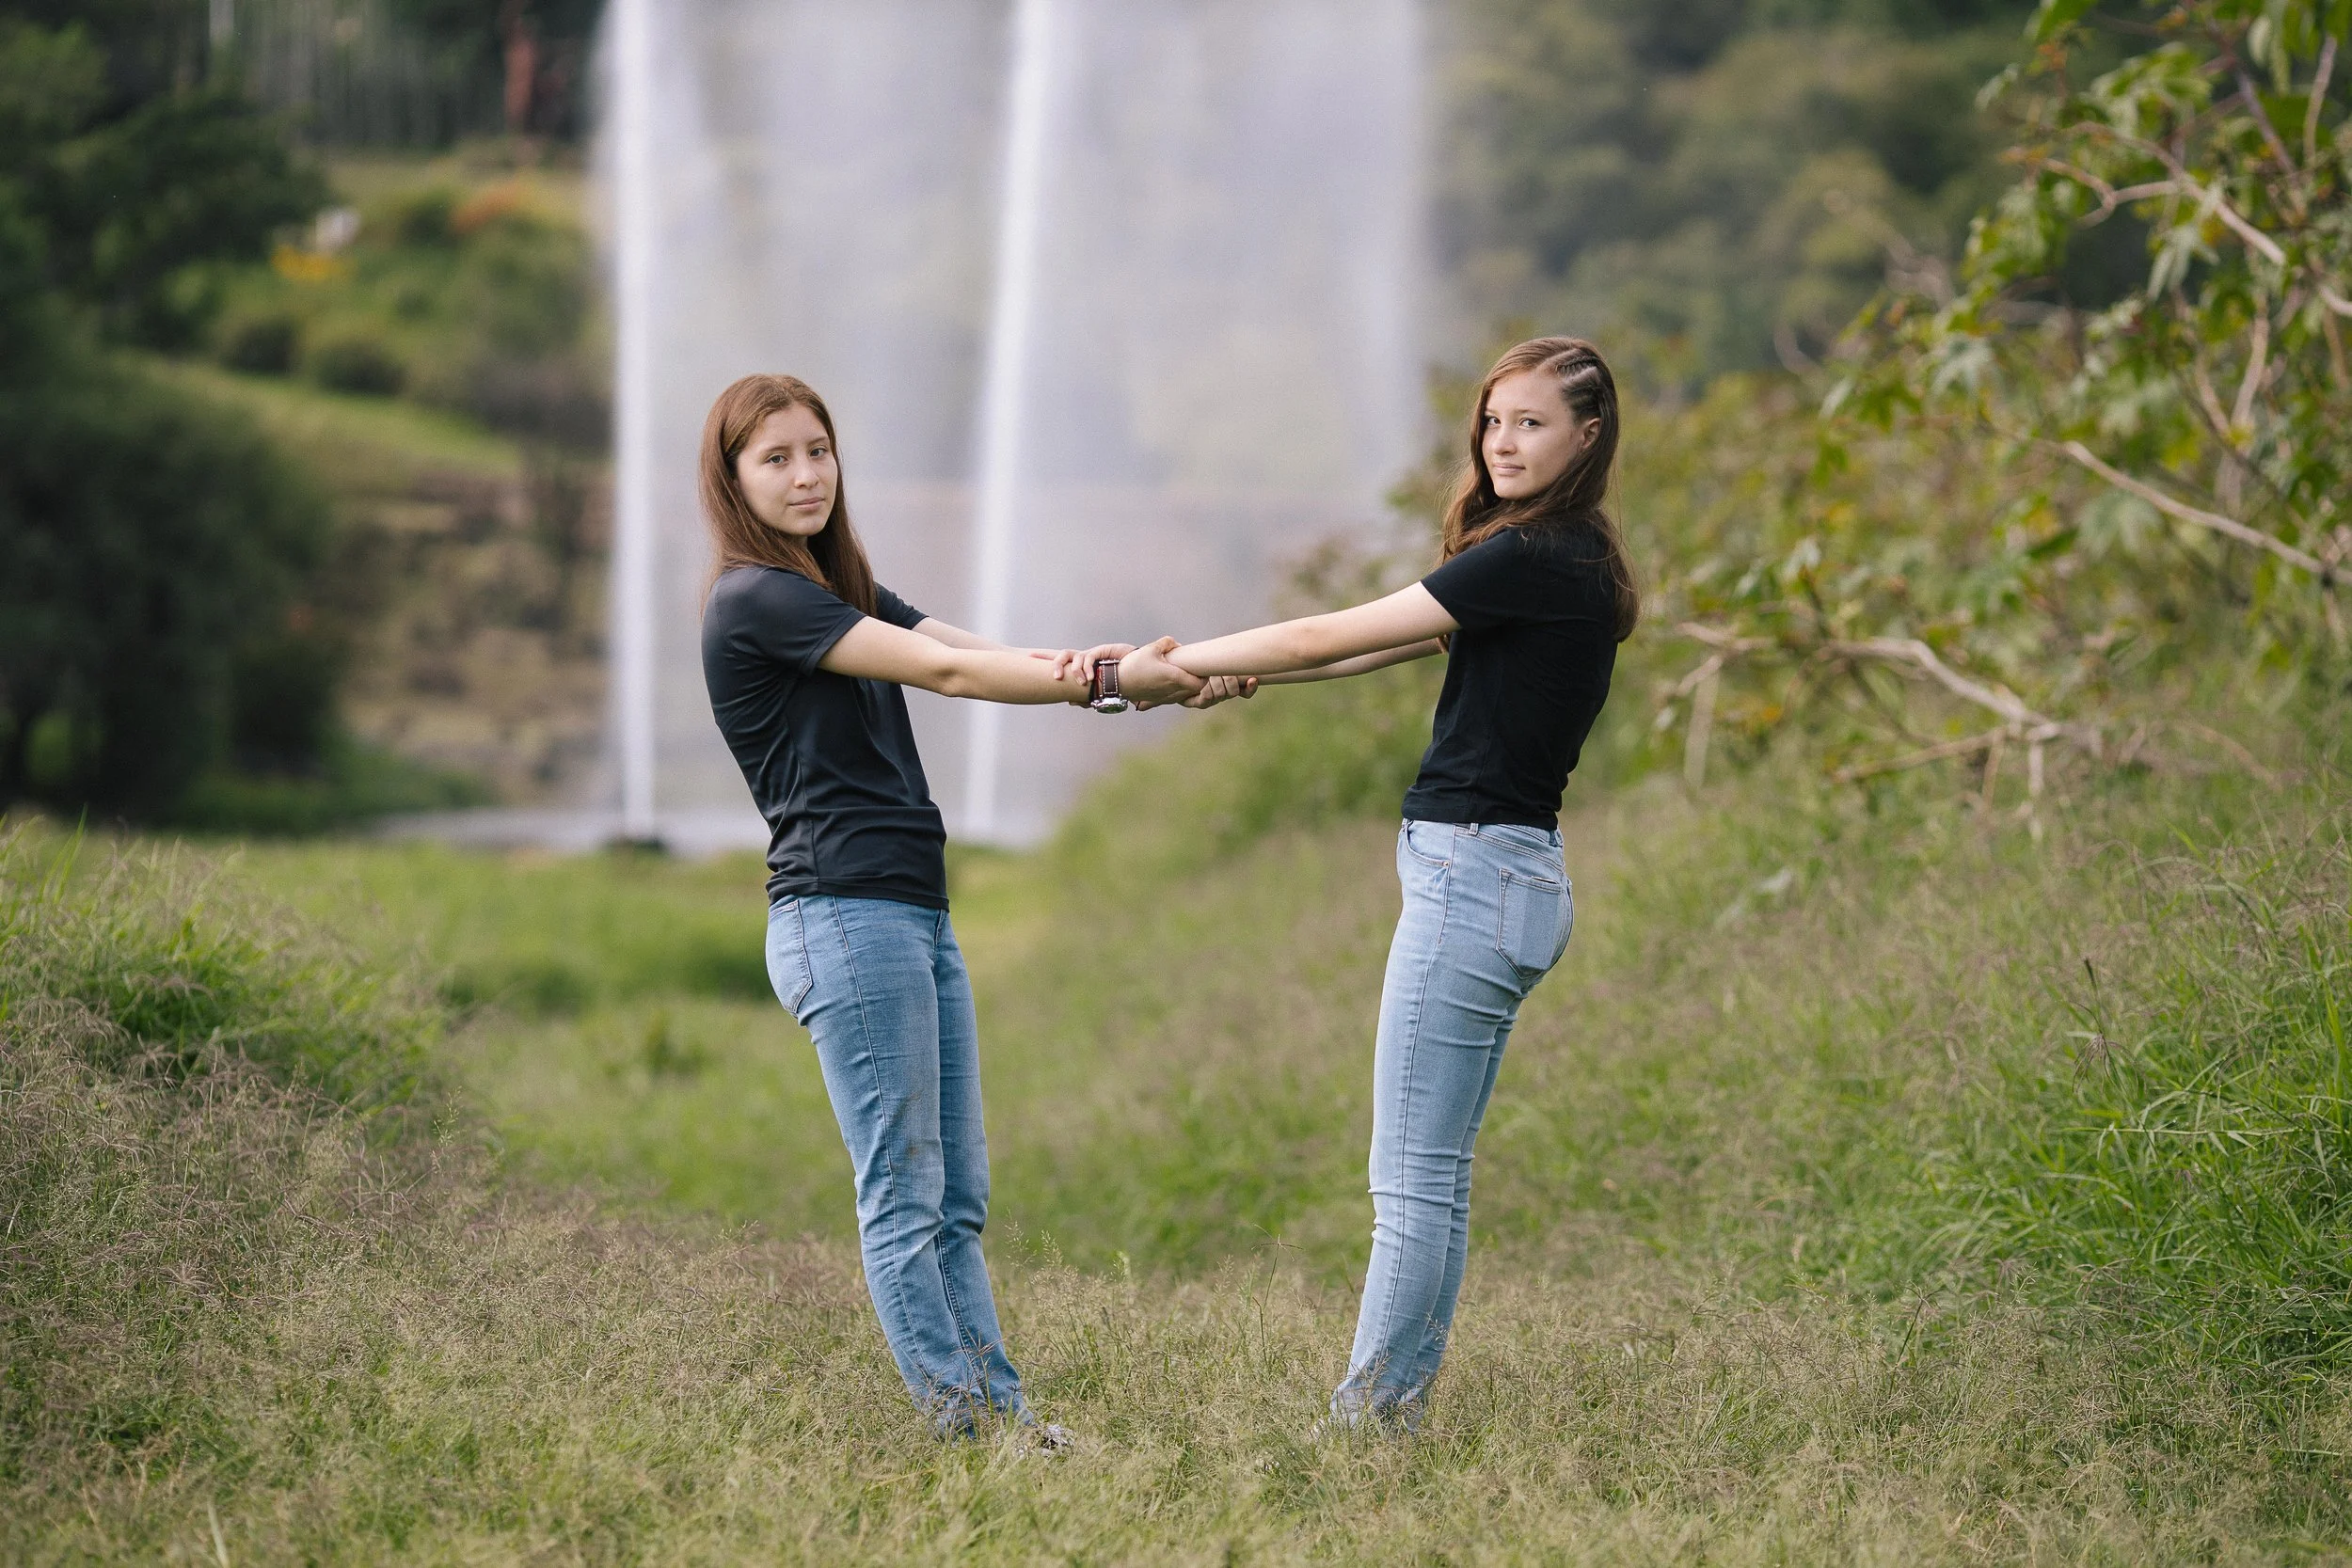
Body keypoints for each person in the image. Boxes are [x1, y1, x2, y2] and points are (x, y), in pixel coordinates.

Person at [1114, 337, 1639, 1430]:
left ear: (1587, 437)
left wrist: (1150, 668)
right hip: (1508, 877)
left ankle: (1368, 1423)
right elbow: (1362, 652)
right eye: (1494, 420)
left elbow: (1323, 629)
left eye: (1532, 423)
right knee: (1430, 1178)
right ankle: (1387, 1412)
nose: (1503, 441)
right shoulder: (1567, 560)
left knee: (1411, 1185)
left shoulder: (1530, 559)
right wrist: (1226, 673)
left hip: (1475, 877)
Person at [696, 372, 1231, 1439]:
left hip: (906, 913)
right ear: (733, 478)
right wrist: (1116, 680)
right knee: (903, 1195)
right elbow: (948, 673)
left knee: (956, 1195)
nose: (806, 474)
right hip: (842, 917)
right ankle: (969, 1431)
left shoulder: (839, 589)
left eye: (818, 449)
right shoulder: (759, 598)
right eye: (776, 457)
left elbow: (987, 650)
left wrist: (1135, 672)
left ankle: (1008, 1421)